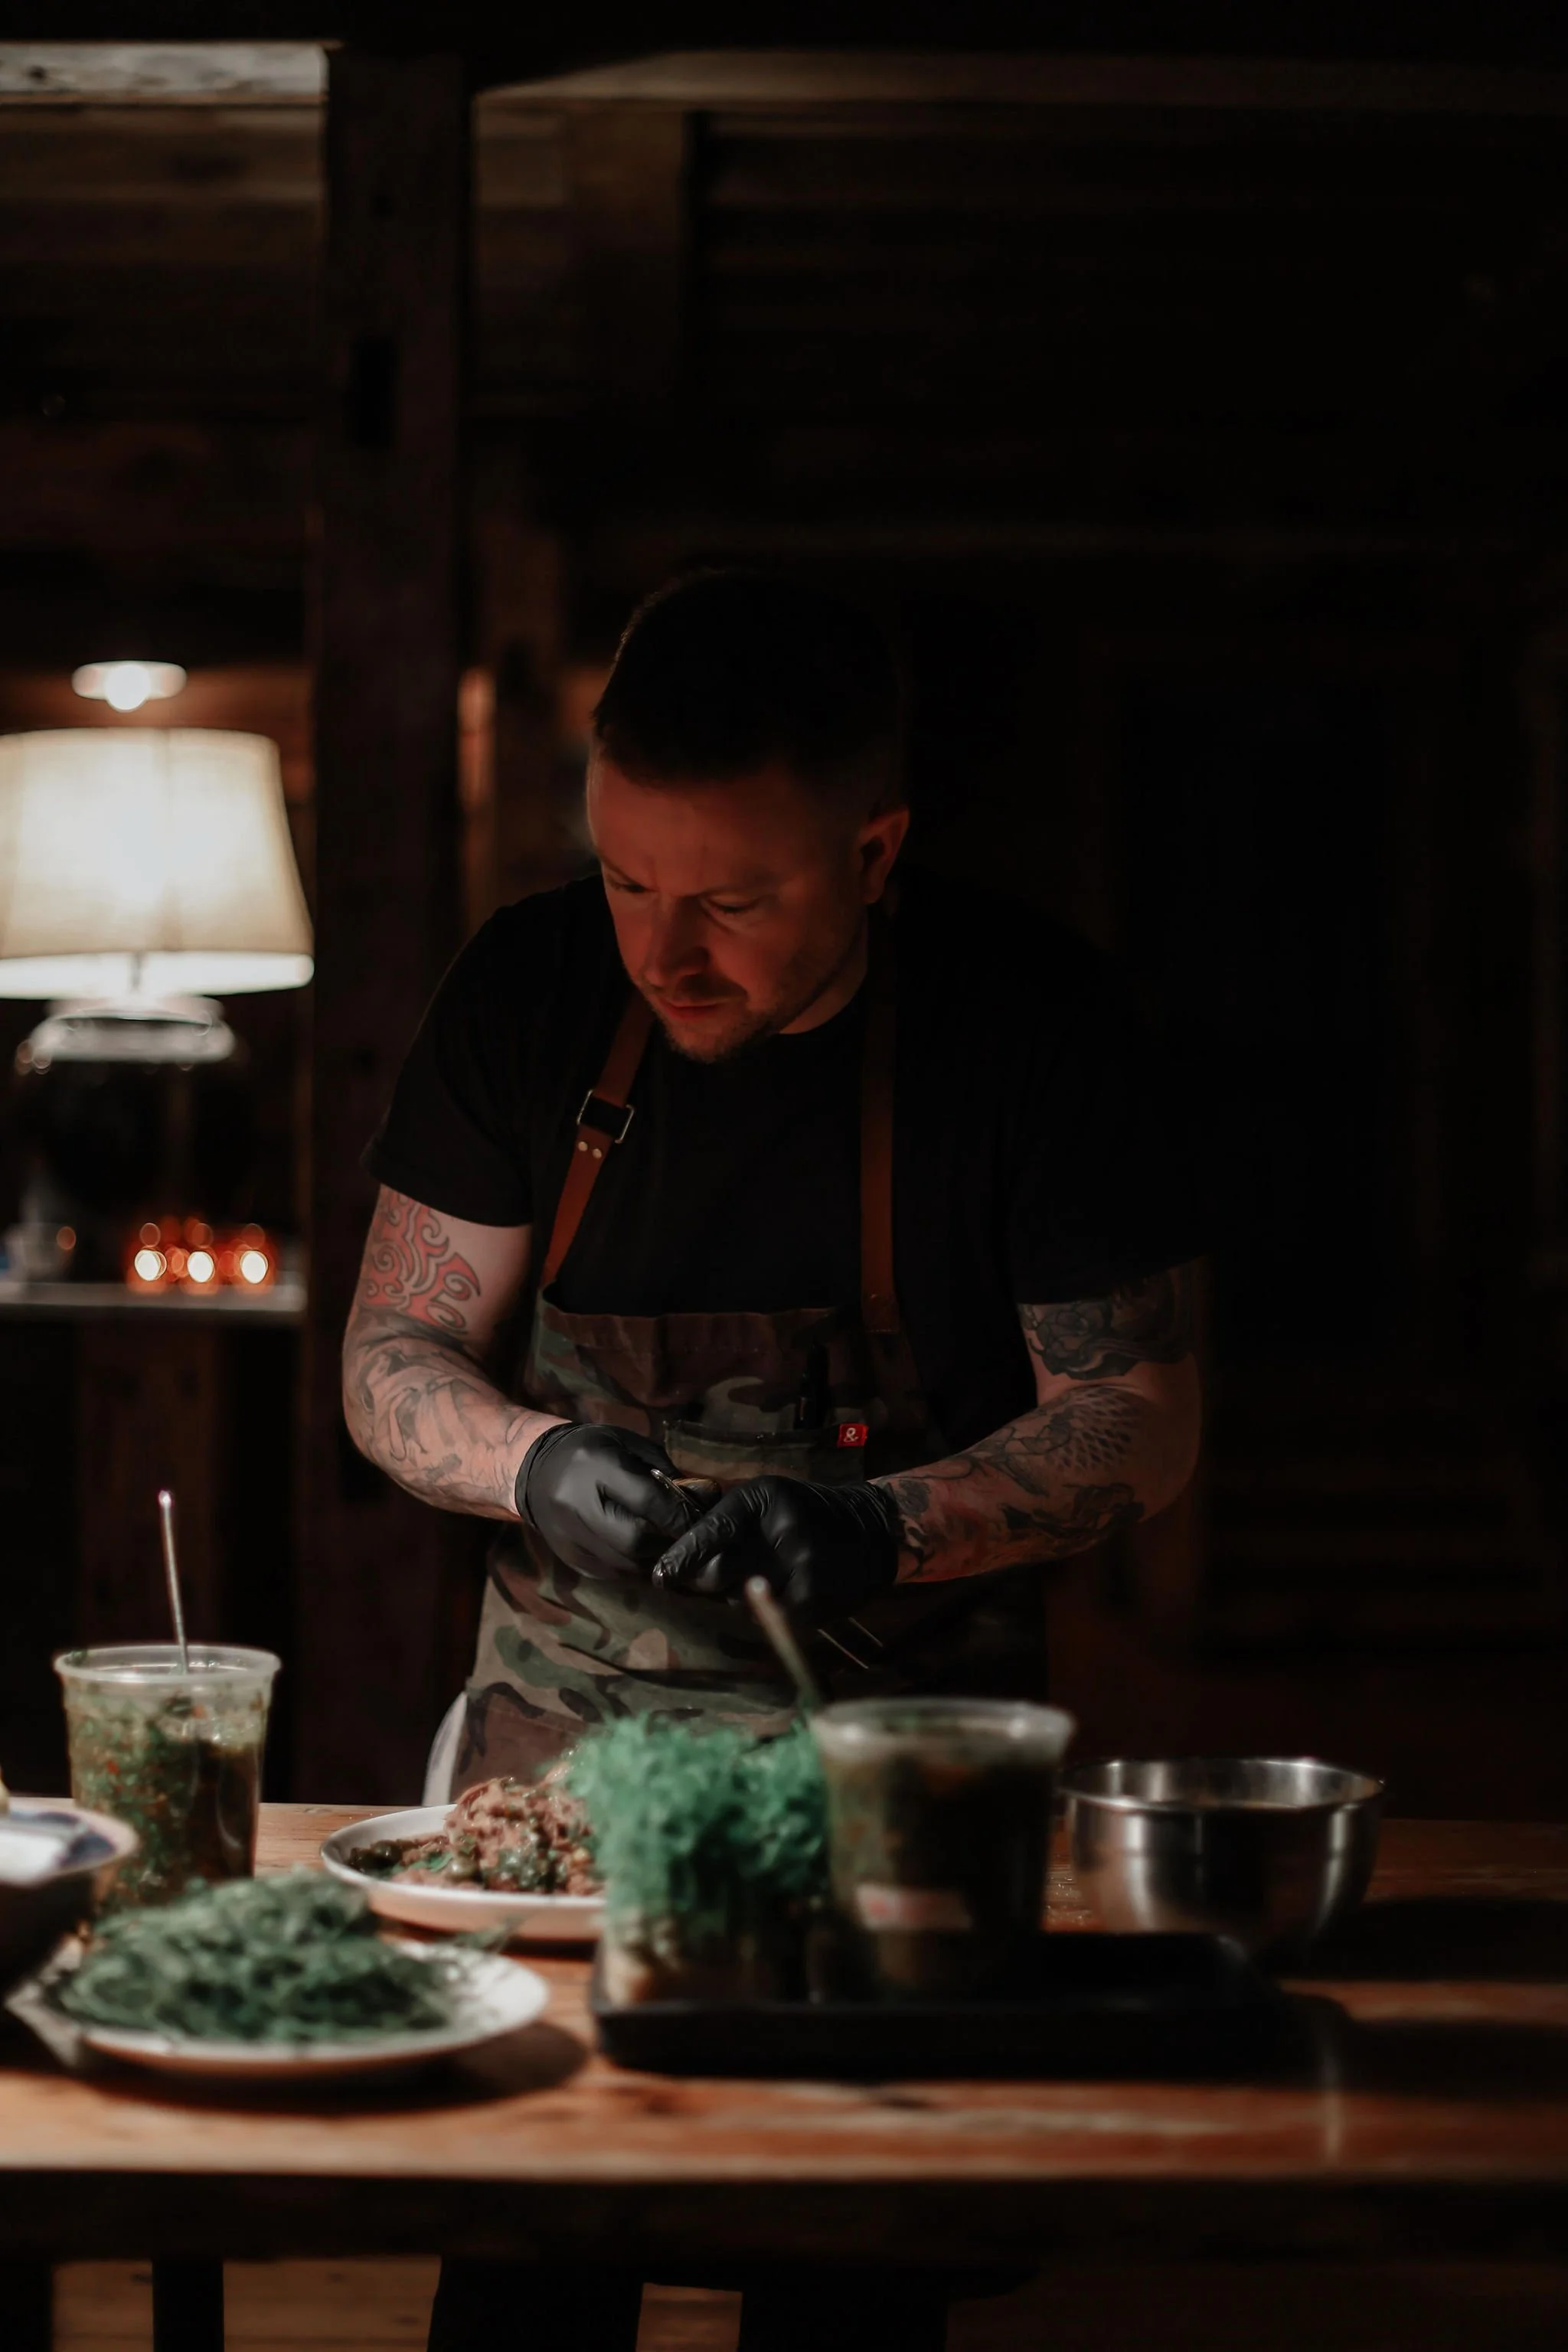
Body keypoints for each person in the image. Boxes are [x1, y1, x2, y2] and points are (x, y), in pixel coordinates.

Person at [345, 570, 1203, 2352]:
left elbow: (1137, 1415)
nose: (662, 955)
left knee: (844, 2267)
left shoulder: (1034, 1026)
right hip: (555, 1786)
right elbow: (388, 1357)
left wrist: (884, 1522)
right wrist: (530, 1461)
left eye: (731, 903)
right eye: (627, 881)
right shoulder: (529, 992)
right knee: (524, 2257)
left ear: (874, 854)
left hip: (888, 1777)